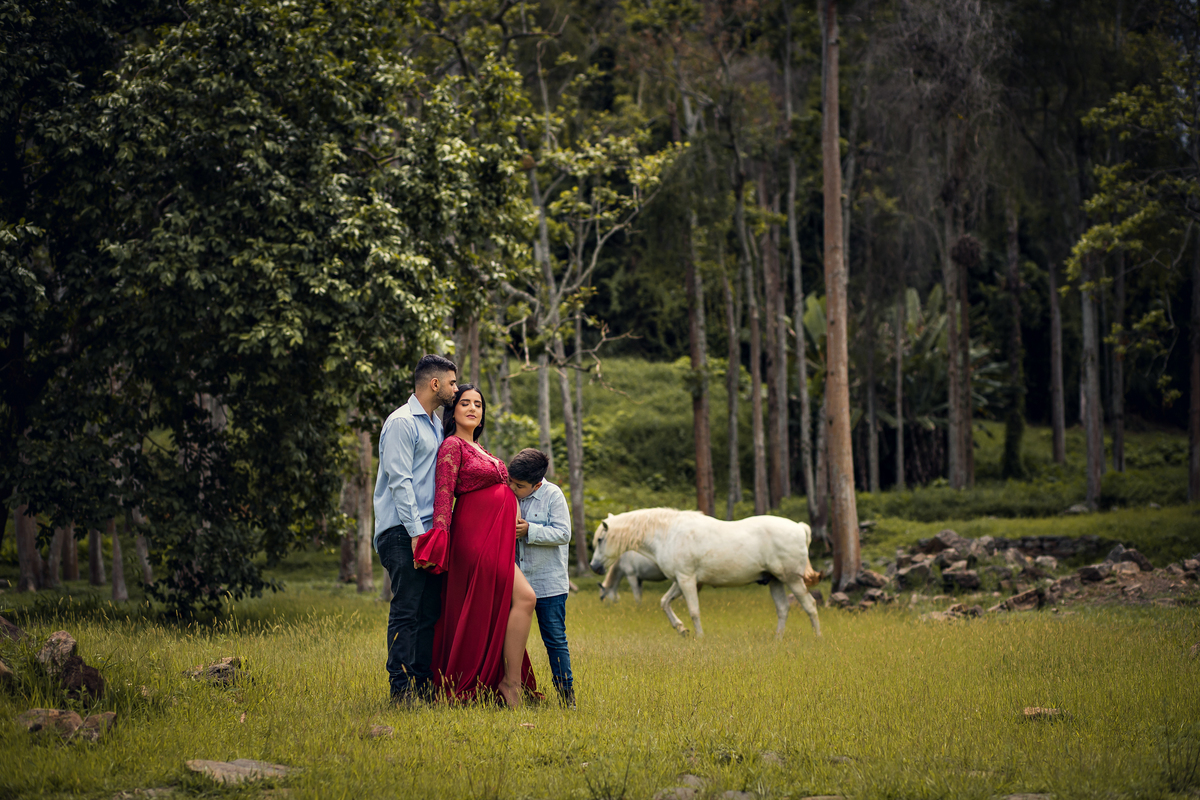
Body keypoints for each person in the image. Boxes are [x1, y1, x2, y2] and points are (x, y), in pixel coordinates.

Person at [413, 385, 539, 708]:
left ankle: (509, 683)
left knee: (522, 599)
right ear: (452, 410)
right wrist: (438, 538)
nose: (472, 408)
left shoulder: (482, 449)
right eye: (465, 403)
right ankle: (487, 683)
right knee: (520, 598)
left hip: (495, 541)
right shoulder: (452, 446)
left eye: (478, 404)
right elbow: (443, 493)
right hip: (473, 540)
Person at [373, 354, 458, 704]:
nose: (456, 388)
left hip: (429, 533)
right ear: (434, 384)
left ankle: (423, 686)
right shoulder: (402, 422)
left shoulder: (436, 425)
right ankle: (400, 689)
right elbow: (400, 482)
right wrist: (415, 534)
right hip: (402, 532)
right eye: (452, 382)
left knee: (428, 613)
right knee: (407, 609)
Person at [508, 448, 576, 709]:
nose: (514, 488)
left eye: (520, 485)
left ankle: (566, 697)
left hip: (549, 583)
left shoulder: (552, 495)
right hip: (517, 583)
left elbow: (563, 534)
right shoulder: (509, 493)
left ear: (536, 484)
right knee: (511, 639)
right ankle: (513, 689)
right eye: (511, 482)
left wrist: (529, 530)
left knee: (555, 640)